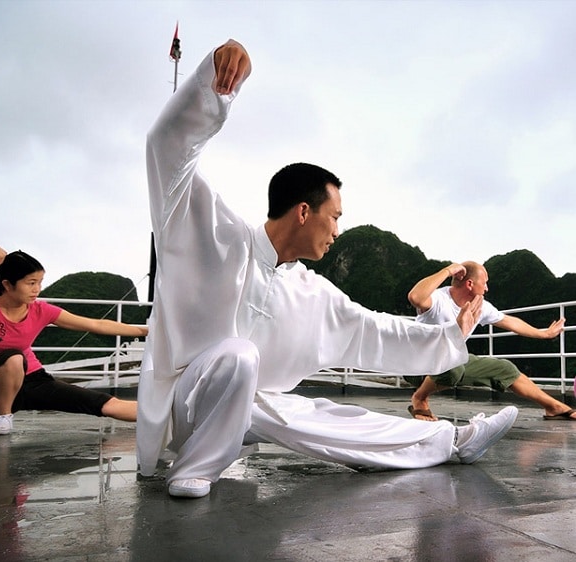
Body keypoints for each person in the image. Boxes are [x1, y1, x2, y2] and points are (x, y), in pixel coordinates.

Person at [136, 38, 519, 499]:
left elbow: (376, 331)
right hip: (186, 406)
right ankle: (191, 472)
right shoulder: (211, 232)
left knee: (324, 413)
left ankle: (452, 440)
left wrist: (449, 335)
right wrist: (212, 91)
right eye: (335, 216)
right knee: (238, 357)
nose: (337, 230)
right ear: (303, 211)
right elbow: (167, 150)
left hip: (254, 411)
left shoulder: (310, 292)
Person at [0, 242, 148, 435]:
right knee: (13, 358)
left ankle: (166, 416)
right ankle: (3, 416)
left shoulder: (40, 310)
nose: (37, 289)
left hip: (34, 381)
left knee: (105, 404)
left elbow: (95, 324)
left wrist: (146, 331)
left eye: (39, 282)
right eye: (30, 283)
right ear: (8, 285)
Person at [406, 261, 572, 421]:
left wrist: (544, 334)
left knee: (505, 369)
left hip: (451, 360)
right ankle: (420, 399)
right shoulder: (438, 299)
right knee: (453, 366)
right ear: (470, 284)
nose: (487, 288)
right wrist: (448, 270)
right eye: (484, 283)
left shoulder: (480, 305)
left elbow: (510, 321)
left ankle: (554, 407)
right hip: (418, 363)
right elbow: (415, 296)